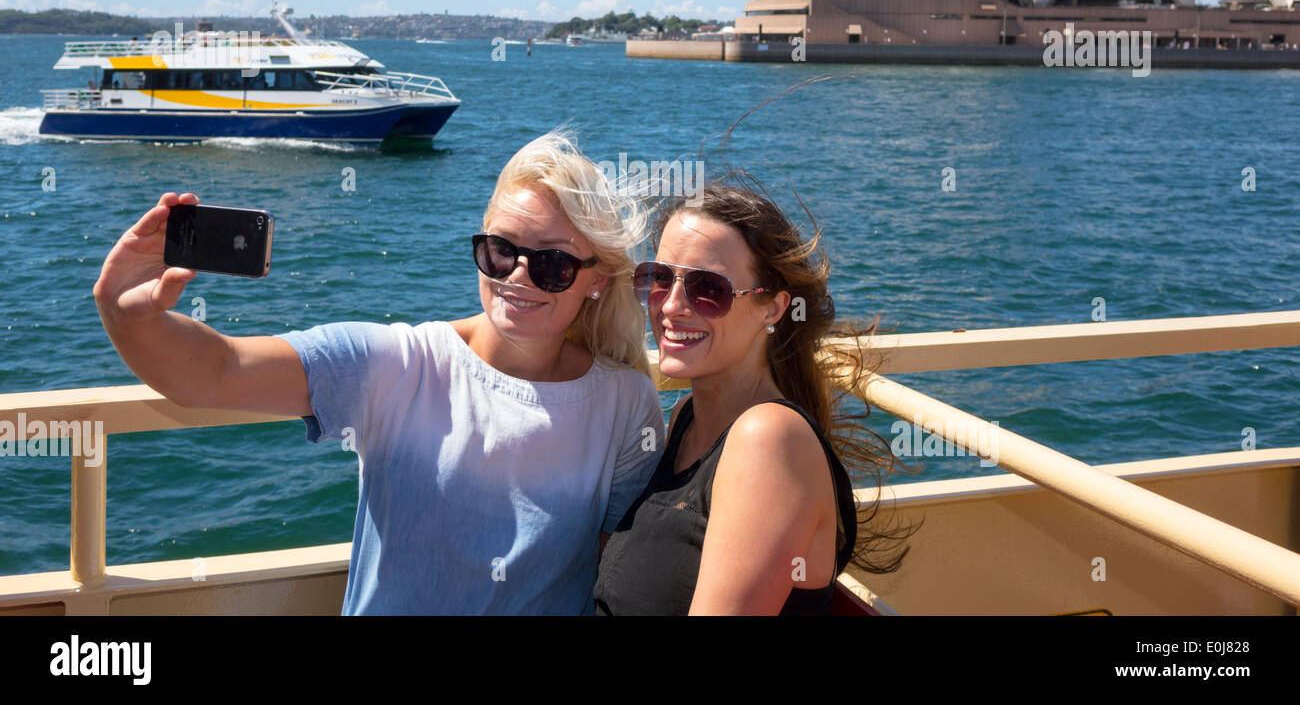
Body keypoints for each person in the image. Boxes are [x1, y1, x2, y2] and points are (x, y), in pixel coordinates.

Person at [92, 130, 664, 614]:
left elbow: (614, 578)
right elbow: (214, 371)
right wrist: (125, 311)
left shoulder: (625, 402)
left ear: (597, 280)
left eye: (552, 264)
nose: (517, 274)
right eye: (500, 250)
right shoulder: (399, 365)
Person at [594, 182, 911, 615]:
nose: (670, 306)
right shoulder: (688, 419)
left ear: (772, 308)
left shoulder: (768, 441)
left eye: (708, 288)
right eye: (659, 278)